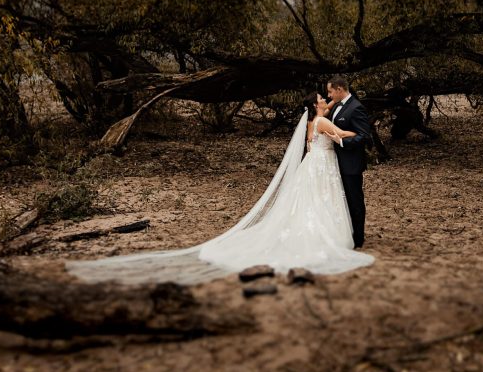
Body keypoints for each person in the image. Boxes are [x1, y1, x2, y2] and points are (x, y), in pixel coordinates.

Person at [64, 90, 373, 285]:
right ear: (316, 106)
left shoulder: (309, 124)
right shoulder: (320, 121)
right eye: (321, 98)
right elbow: (340, 133)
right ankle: (328, 237)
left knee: (310, 203)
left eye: (325, 96)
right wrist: (349, 133)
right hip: (322, 166)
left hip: (316, 165)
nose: (324, 99)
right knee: (320, 202)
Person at [325, 76, 370, 248]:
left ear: (339, 89)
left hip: (351, 163)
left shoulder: (356, 108)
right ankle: (347, 233)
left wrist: (342, 141)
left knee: (355, 199)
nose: (329, 95)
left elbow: (364, 136)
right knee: (343, 200)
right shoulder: (337, 105)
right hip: (337, 162)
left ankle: (358, 238)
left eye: (330, 91)